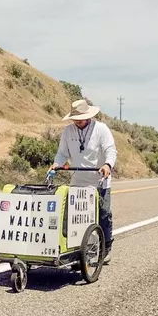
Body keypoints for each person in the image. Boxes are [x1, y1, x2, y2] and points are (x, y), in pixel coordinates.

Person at [50, 98, 117, 262]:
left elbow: (110, 150)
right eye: (75, 119)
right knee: (76, 216)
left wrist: (107, 165)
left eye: (80, 119)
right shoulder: (68, 132)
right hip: (77, 182)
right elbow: (62, 153)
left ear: (88, 116)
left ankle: (105, 247)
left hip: (99, 181)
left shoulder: (101, 129)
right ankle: (78, 249)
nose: (77, 122)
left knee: (103, 214)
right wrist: (56, 164)